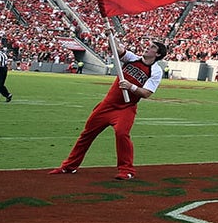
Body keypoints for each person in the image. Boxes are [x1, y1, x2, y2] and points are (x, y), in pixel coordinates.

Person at [49, 35, 167, 180]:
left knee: (122, 134)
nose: (148, 47)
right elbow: (116, 49)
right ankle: (69, 166)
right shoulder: (132, 58)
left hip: (126, 108)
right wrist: (110, 34)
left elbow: (147, 93)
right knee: (87, 134)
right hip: (107, 105)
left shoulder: (156, 71)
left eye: (152, 47)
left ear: (158, 54)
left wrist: (131, 87)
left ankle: (126, 170)